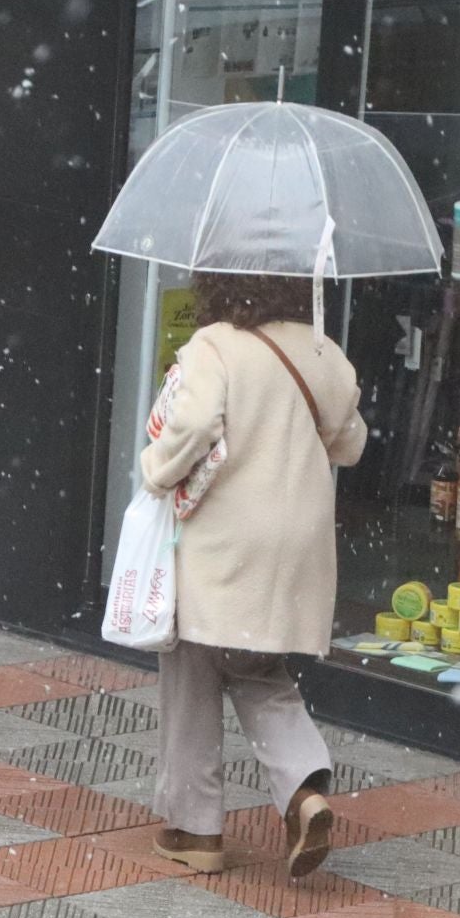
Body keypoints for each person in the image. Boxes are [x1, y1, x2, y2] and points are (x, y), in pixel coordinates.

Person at [139, 273, 368, 876]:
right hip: (296, 544)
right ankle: (303, 791)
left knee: (191, 663)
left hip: (226, 537)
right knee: (255, 665)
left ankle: (195, 830)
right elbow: (351, 444)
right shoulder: (324, 353)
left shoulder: (213, 346)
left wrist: (155, 472)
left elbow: (190, 429)